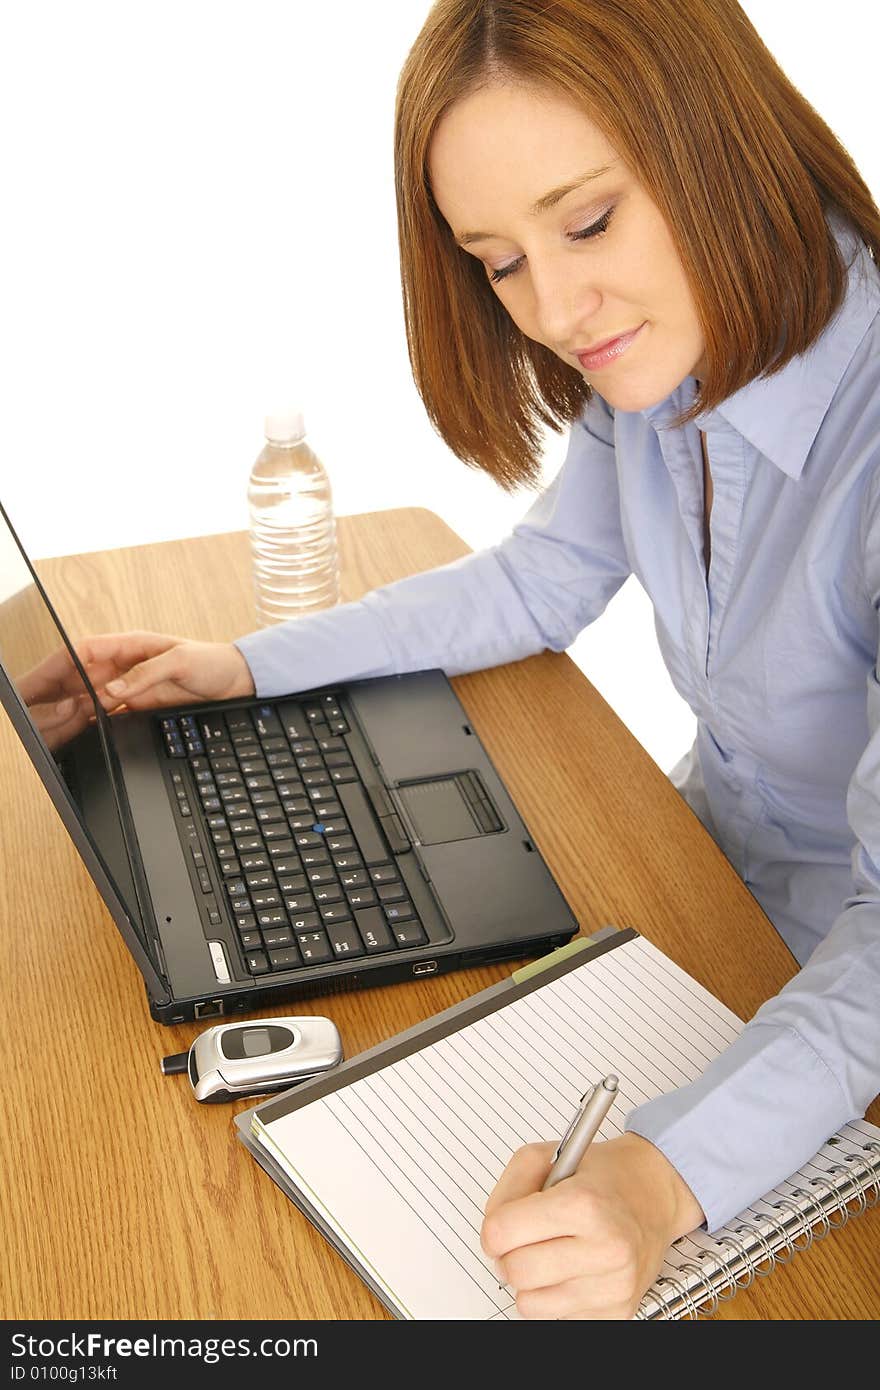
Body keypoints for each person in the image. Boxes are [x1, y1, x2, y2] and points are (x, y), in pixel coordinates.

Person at [66, 0, 880, 1318]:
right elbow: (544, 575)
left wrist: (666, 1179)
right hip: (708, 886)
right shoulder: (665, 355)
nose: (554, 308)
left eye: (590, 219)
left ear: (723, 148)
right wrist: (247, 664)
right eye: (498, 261)